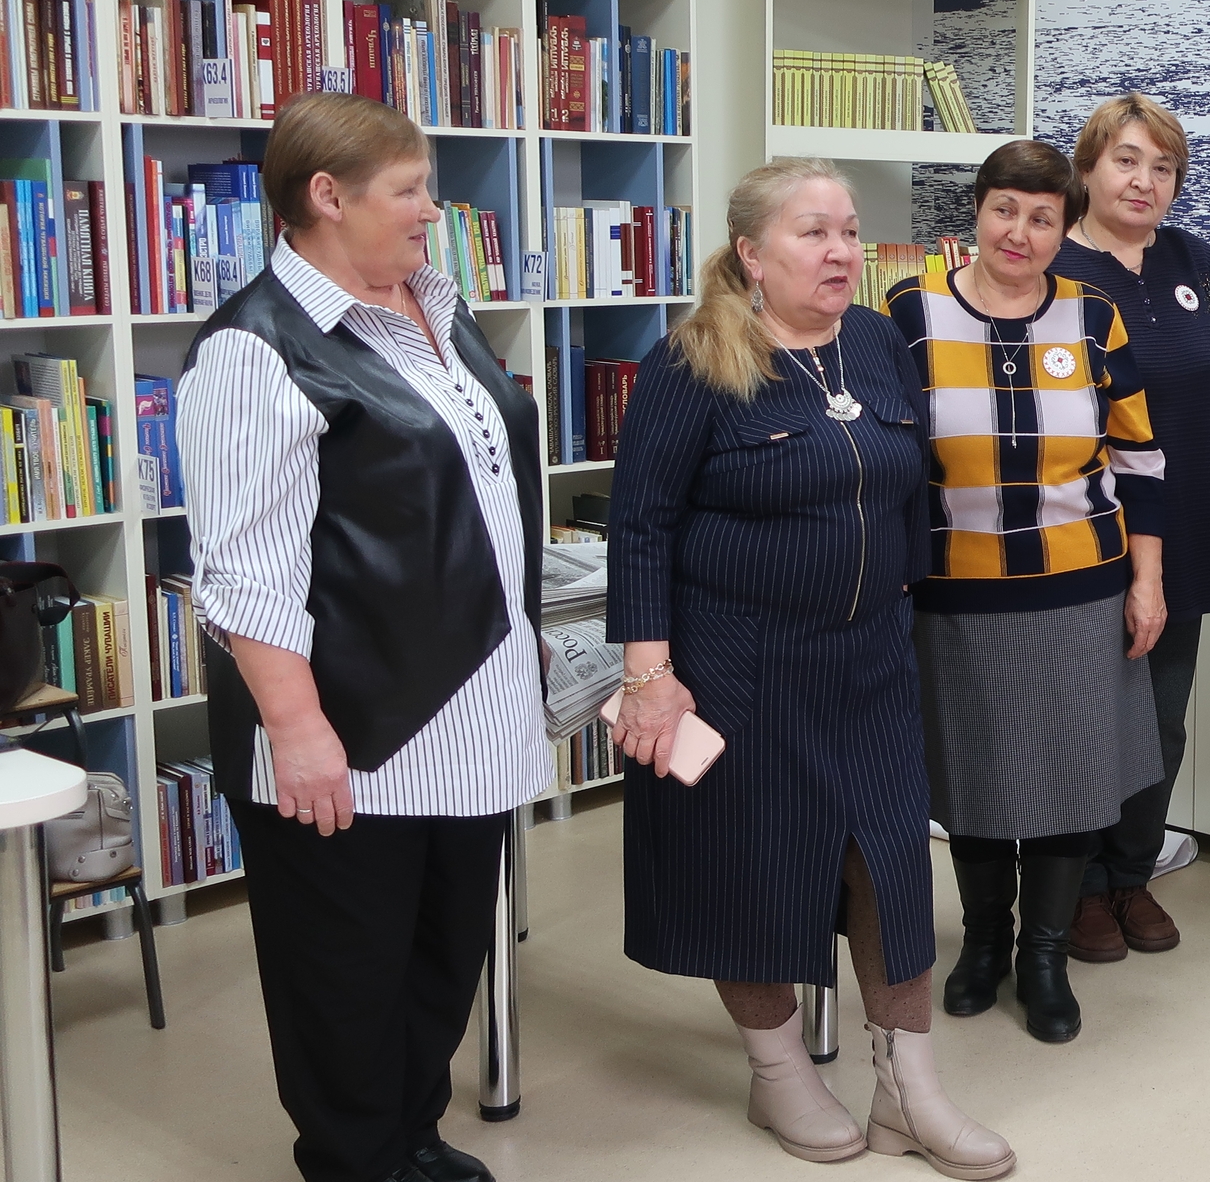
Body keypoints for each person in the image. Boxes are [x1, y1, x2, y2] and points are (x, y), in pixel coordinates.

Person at [608, 159, 1011, 1178]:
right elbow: (641, 526)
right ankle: (777, 1070)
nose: (841, 252)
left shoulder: (873, 340)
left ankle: (908, 1092)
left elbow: (906, 485)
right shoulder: (693, 362)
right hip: (740, 665)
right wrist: (650, 678)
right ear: (752, 253)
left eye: (849, 232)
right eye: (813, 233)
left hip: (870, 658)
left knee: (891, 864)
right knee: (752, 866)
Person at [179, 91, 546, 1182]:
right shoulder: (254, 348)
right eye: (411, 189)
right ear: (328, 197)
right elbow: (245, 570)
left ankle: (409, 1137)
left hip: (471, 715)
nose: (434, 209)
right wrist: (298, 730)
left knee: (440, 956)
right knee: (343, 977)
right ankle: (354, 1159)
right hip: (351, 730)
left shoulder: (435, 303)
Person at [885, 139, 1169, 1047]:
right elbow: (886, 456)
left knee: (1071, 779)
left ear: (1064, 227)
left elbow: (1141, 461)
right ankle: (984, 943)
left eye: (1043, 217)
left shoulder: (1093, 315)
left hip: (1081, 592)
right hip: (955, 594)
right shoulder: (909, 311)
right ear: (977, 212)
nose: (1021, 231)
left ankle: (1044, 953)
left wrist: (1147, 581)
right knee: (975, 779)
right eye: (1005, 209)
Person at [1049, 93, 1210, 962]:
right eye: (1127, 160)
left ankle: (1131, 874)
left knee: (1160, 721)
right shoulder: (1053, 267)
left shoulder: (1191, 260)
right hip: (1083, 536)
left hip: (1185, 530)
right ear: (1088, 167)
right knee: (1084, 722)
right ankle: (1078, 887)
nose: (1145, 180)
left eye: (1163, 167)